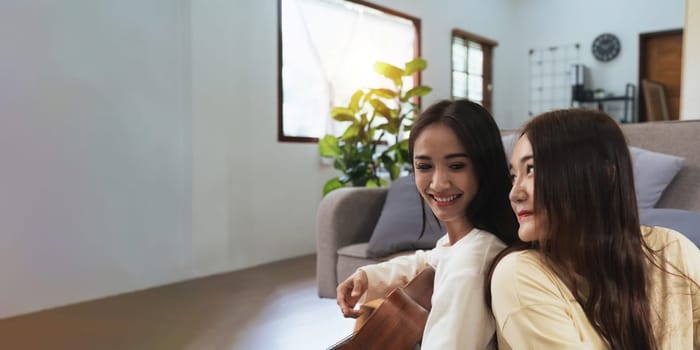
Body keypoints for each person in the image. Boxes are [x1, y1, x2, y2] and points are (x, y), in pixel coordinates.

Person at [488, 108, 700, 349]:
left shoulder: (673, 250)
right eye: (514, 176)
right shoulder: (518, 274)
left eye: (532, 170)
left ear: (604, 175)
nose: (515, 194)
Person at [336, 99, 519, 349]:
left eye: (456, 166)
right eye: (424, 166)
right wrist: (367, 276)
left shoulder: (472, 261)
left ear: (484, 167)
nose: (438, 183)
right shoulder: (463, 243)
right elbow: (430, 259)